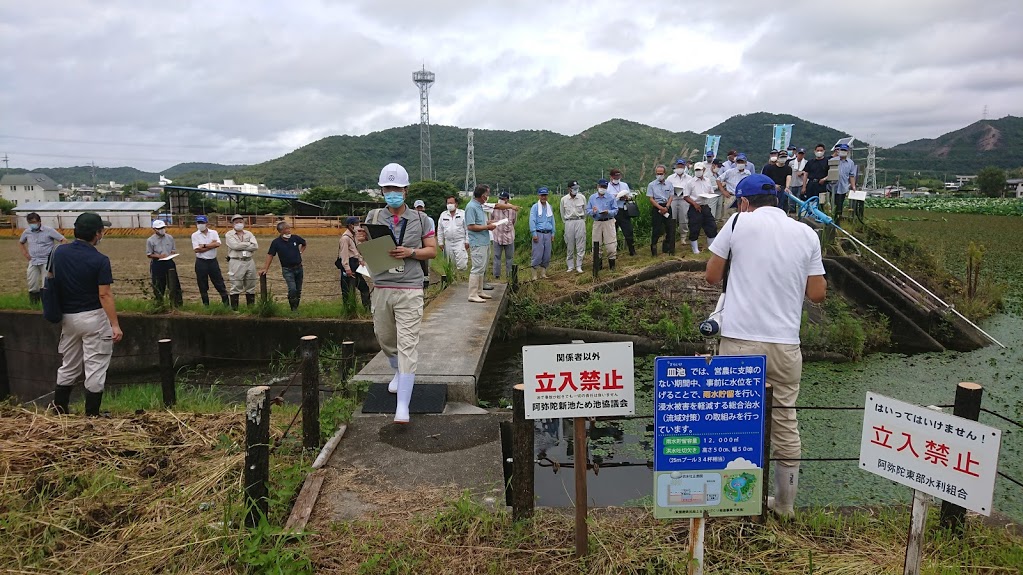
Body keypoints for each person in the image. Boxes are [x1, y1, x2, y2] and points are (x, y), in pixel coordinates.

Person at [705, 173, 827, 518]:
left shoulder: (738, 222)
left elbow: (712, 276)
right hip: (785, 344)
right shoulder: (807, 233)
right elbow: (817, 293)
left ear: (744, 203)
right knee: (785, 421)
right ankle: (785, 505)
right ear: (776, 200)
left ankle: (735, 502)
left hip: (740, 340)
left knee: (734, 421)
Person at [359, 163, 436, 423]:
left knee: (408, 344)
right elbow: (368, 248)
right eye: (387, 188)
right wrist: (363, 241)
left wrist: (410, 252)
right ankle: (396, 371)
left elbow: (432, 250)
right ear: (382, 190)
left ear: (405, 190)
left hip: (410, 287)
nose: (391, 192)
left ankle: (402, 406)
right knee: (385, 337)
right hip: (381, 285)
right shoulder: (373, 217)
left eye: (396, 188)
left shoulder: (421, 219)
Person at [50, 213, 123, 416]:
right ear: (97, 233)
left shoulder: (59, 252)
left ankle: (60, 409)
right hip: (93, 317)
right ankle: (92, 413)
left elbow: (50, 281)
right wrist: (114, 324)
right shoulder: (99, 259)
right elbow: (104, 294)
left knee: (69, 364)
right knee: (96, 365)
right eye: (101, 231)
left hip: (68, 317)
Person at [19, 212, 65, 305]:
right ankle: (34, 304)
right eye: (30, 222)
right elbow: (21, 242)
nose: (32, 224)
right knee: (32, 283)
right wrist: (25, 253)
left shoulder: (49, 230)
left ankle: (47, 305)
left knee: (46, 284)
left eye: (34, 222)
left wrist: (57, 253)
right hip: (33, 261)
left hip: (46, 261)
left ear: (39, 221)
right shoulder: (27, 232)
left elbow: (63, 240)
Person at [260, 221, 306, 311]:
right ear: (280, 231)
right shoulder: (276, 243)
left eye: (289, 229)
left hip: (299, 267)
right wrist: (265, 268)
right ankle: (292, 307)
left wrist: (300, 252)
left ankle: (295, 308)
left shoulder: (295, 238)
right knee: (292, 289)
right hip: (287, 269)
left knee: (298, 290)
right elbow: (270, 255)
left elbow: (304, 243)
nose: (288, 231)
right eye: (286, 229)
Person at [464, 184, 497, 303]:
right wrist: (487, 227)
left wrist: (488, 222)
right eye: (487, 195)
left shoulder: (479, 206)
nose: (488, 197)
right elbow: (471, 226)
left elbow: (479, 222)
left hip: (484, 240)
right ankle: (472, 293)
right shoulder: (471, 207)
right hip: (477, 242)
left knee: (482, 266)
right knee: (477, 267)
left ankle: (479, 291)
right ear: (483, 196)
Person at [191, 215, 230, 306]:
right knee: (202, 284)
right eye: (198, 223)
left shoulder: (213, 232)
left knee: (219, 282)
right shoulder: (194, 235)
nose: (200, 225)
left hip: (213, 261)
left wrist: (204, 246)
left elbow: (218, 244)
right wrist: (211, 245)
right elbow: (196, 249)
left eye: (202, 223)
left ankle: (226, 304)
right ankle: (206, 305)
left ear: (207, 223)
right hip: (201, 261)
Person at [224, 214, 258, 310]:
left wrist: (241, 244)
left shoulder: (249, 233)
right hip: (236, 261)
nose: (239, 223)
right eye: (236, 222)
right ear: (232, 224)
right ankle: (235, 310)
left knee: (251, 284)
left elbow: (255, 246)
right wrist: (248, 244)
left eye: (241, 221)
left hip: (249, 260)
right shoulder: (229, 234)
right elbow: (234, 246)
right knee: (236, 285)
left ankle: (251, 309)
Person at [684, 161, 718, 254]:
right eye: (696, 170)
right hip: (694, 207)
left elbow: (710, 191)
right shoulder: (690, 182)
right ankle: (695, 249)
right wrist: (694, 204)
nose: (698, 171)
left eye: (700, 170)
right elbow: (686, 196)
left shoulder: (707, 180)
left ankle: (711, 247)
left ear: (704, 170)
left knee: (711, 226)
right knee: (694, 227)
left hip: (705, 206)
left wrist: (709, 195)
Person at [338, 216, 371, 309]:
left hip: (356, 264)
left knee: (364, 288)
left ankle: (367, 308)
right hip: (349, 265)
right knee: (349, 291)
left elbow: (357, 250)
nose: (358, 226)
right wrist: (347, 269)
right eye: (356, 224)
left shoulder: (354, 236)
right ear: (350, 225)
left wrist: (361, 260)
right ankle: (349, 311)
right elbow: (344, 254)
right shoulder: (345, 238)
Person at [145, 219, 180, 304]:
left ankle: (176, 303)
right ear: (155, 229)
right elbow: (149, 254)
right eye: (160, 228)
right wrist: (159, 256)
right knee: (158, 284)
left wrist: (171, 253)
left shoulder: (170, 237)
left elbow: (173, 249)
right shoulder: (150, 240)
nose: (162, 229)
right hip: (157, 263)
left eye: (163, 227)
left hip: (169, 262)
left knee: (174, 283)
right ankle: (159, 303)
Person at [587, 178, 619, 270]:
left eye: (605, 187)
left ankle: (612, 266)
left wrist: (608, 212)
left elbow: (616, 210)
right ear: (597, 186)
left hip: (608, 221)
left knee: (611, 245)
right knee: (596, 244)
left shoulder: (611, 197)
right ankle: (598, 266)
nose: (603, 188)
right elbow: (588, 210)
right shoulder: (592, 198)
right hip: (597, 222)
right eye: (601, 186)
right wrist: (593, 211)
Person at [646, 164, 675, 255]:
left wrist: (666, 207)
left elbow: (671, 196)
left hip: (667, 207)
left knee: (670, 228)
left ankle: (667, 249)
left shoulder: (669, 184)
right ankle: (654, 249)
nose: (659, 175)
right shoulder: (651, 185)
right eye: (658, 173)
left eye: (661, 173)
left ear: (665, 173)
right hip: (657, 208)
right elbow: (651, 199)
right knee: (656, 229)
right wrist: (660, 208)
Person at [528, 187, 556, 279]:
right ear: (539, 196)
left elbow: (552, 221)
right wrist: (534, 234)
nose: (544, 197)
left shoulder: (549, 207)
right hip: (539, 233)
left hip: (548, 233)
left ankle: (543, 273)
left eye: (545, 195)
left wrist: (553, 233)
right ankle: (534, 274)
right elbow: (532, 220)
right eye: (542, 195)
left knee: (547, 254)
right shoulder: (535, 207)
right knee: (537, 254)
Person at [560, 180, 587, 273]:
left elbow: (585, 211)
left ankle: (579, 265)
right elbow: (562, 214)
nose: (576, 190)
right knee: (569, 243)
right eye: (574, 189)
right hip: (569, 222)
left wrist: (582, 220)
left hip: (580, 220)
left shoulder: (582, 198)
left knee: (580, 243)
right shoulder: (564, 199)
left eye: (577, 188)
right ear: (569, 189)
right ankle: (570, 266)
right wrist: (567, 222)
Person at [437, 195, 469, 271]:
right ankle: (453, 277)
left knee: (462, 262)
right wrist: (440, 242)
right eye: (448, 203)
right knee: (450, 263)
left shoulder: (462, 214)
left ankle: (461, 276)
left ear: (456, 204)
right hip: (448, 242)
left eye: (451, 203)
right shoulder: (443, 215)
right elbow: (440, 230)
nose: (449, 205)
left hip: (460, 241)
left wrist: (467, 241)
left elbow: (467, 229)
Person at [609, 168, 636, 256]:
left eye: (618, 175)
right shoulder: (608, 187)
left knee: (628, 231)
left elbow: (630, 195)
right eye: (615, 176)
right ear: (611, 176)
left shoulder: (624, 185)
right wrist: (617, 197)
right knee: (613, 233)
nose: (617, 178)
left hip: (623, 210)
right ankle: (614, 252)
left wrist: (627, 197)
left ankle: (632, 250)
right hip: (613, 211)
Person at [491, 191, 517, 280]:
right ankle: (496, 275)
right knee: (496, 256)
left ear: (507, 199)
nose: (501, 200)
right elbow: (491, 220)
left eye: (503, 199)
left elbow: (514, 222)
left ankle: (509, 275)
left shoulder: (512, 209)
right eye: (500, 198)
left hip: (509, 237)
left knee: (509, 258)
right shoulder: (494, 208)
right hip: (497, 236)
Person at [666, 159, 691, 242]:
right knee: (672, 217)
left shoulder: (689, 178)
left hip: (684, 199)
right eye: (678, 166)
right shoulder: (670, 178)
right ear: (676, 166)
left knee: (684, 217)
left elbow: (690, 189)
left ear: (684, 167)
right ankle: (671, 235)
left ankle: (683, 236)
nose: (680, 168)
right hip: (673, 199)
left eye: (681, 166)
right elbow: (666, 189)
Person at [834, 143, 858, 219]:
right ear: (839, 150)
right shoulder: (833, 160)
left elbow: (851, 175)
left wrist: (853, 186)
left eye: (845, 150)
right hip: (832, 187)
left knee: (839, 205)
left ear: (848, 152)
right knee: (831, 204)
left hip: (843, 187)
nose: (843, 151)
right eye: (842, 150)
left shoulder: (851, 163)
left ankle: (837, 219)